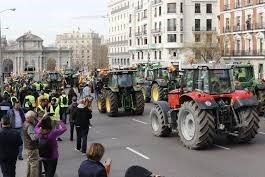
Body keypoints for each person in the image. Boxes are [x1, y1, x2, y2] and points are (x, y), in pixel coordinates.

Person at [23, 111, 39, 177]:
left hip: (27, 146)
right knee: (34, 164)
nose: (34, 119)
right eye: (33, 118)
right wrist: (39, 133)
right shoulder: (29, 126)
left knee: (29, 163)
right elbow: (33, 138)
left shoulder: (25, 123)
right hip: (32, 148)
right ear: (30, 118)